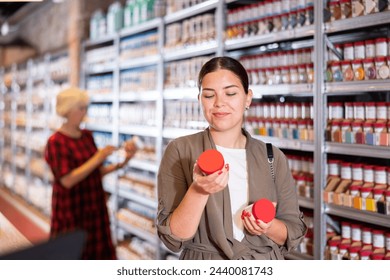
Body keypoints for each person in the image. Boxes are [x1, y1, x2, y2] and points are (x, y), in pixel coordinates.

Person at [157, 56, 307, 260]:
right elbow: (173, 239)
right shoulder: (180, 150)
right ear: (200, 99)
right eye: (209, 95)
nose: (219, 103)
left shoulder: (272, 156)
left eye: (230, 93)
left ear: (247, 98)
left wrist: (267, 225)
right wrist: (199, 190)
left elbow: (293, 231)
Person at [44, 87, 137, 260]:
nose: (85, 111)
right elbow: (67, 180)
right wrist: (98, 157)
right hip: (72, 211)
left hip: (94, 208)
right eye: (81, 108)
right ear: (68, 110)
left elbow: (96, 173)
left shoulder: (86, 135)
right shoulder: (56, 142)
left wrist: (124, 162)